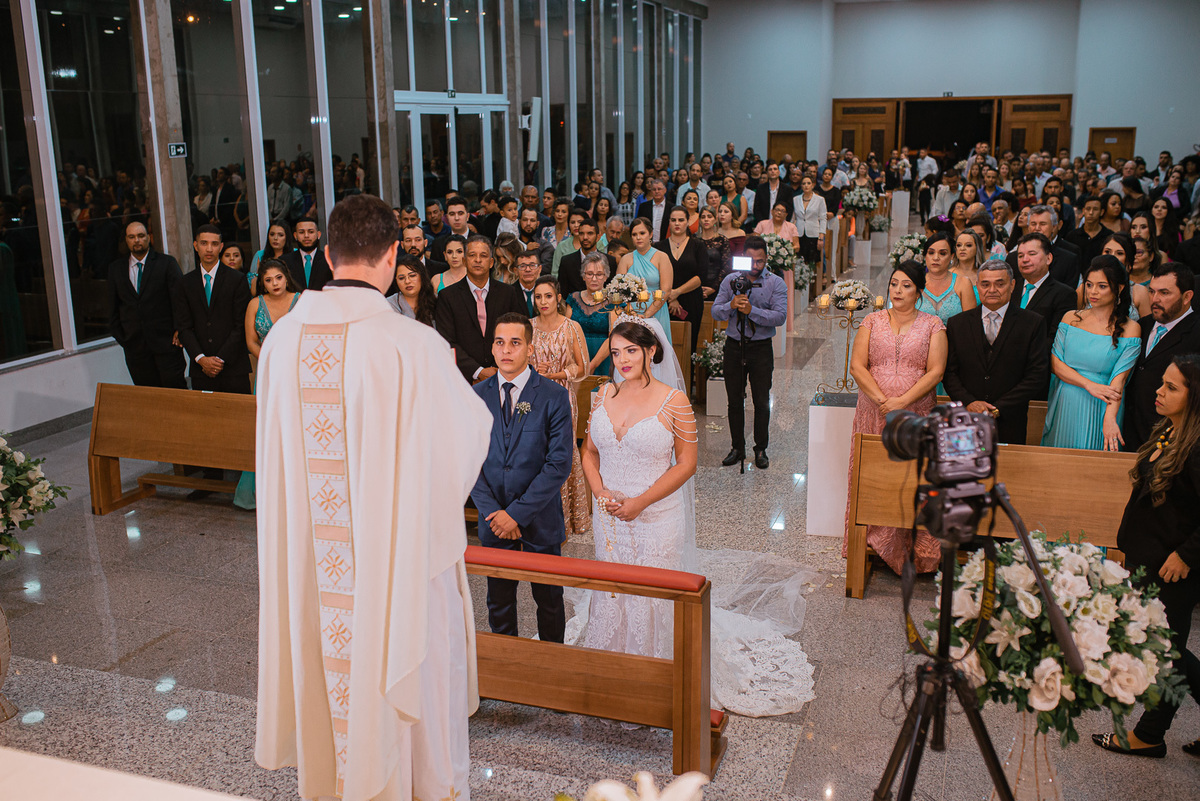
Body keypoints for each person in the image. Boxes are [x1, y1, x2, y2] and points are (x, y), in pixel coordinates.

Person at [255, 193, 487, 801]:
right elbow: (465, 444)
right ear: (391, 256)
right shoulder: (412, 347)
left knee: (325, 661)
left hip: (313, 564)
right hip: (400, 565)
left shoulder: (281, 343)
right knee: (412, 676)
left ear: (328, 255)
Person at [1094, 353, 1200, 758]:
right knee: (1166, 645)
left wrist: (1186, 555)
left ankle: (1149, 734)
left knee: (1164, 653)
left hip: (1175, 566)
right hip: (1148, 557)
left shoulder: (1198, 443)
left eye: (1172, 387)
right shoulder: (1167, 431)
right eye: (1162, 383)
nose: (1159, 390)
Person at [578, 321, 699, 658]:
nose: (622, 360)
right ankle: (612, 664)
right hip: (610, 517)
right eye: (616, 353)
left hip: (656, 517)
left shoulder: (673, 401)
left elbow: (687, 463)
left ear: (651, 351)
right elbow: (588, 451)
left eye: (631, 350)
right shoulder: (603, 395)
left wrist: (641, 502)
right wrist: (599, 490)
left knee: (650, 596)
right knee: (613, 590)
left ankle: (655, 669)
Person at [472, 313, 574, 642]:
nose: (506, 350)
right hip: (493, 518)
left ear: (529, 349)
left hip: (539, 519)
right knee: (498, 601)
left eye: (515, 343)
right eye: (500, 342)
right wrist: (493, 513)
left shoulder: (552, 396)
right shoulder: (476, 395)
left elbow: (558, 464)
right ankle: (505, 671)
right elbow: (467, 460)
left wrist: (514, 514)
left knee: (548, 601)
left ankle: (552, 665)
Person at [845, 260, 947, 574]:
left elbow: (936, 371)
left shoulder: (933, 324)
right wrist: (881, 401)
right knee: (874, 478)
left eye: (906, 285)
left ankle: (912, 550)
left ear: (919, 291)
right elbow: (857, 366)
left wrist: (902, 401)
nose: (898, 290)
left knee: (910, 480)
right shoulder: (872, 321)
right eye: (894, 284)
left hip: (915, 414)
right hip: (873, 413)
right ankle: (870, 541)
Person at [942, 258, 1049, 444]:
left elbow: (1036, 376)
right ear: (977, 286)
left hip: (1011, 420)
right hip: (965, 418)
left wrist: (998, 408)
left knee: (1009, 472)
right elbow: (950, 372)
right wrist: (970, 403)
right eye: (985, 284)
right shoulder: (957, 323)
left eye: (1000, 284)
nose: (992, 290)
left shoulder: (1032, 323)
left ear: (1013, 284)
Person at [1041, 255, 1141, 450]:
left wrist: (1110, 418)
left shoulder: (1131, 328)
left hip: (1103, 404)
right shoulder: (1070, 318)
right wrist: (1089, 385)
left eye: (1102, 286)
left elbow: (1119, 380)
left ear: (1119, 288)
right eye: (1089, 285)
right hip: (1066, 400)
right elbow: (1055, 363)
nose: (1093, 292)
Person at [711, 235, 789, 469]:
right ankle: (737, 447)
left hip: (761, 348)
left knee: (762, 401)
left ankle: (761, 448)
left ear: (767, 259)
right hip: (734, 346)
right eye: (751, 261)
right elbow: (715, 312)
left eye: (761, 261)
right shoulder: (731, 280)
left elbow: (780, 316)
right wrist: (731, 306)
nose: (755, 266)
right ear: (742, 258)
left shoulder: (776, 283)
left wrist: (752, 310)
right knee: (734, 400)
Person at [234, 260, 301, 511]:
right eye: (269, 280)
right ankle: (261, 493)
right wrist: (270, 359)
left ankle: (294, 491)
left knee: (294, 428)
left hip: (297, 373)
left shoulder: (302, 300)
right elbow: (251, 340)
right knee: (266, 428)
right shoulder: (255, 304)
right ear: (262, 282)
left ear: (287, 278)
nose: (274, 284)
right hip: (268, 373)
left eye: (279, 278)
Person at [531, 276, 591, 538]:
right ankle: (535, 518)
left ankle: (566, 519)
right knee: (535, 452)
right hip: (533, 397)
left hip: (563, 396)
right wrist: (533, 370)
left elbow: (583, 365)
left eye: (548, 296)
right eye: (538, 297)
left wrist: (560, 374)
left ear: (557, 298)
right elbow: (518, 362)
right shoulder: (527, 326)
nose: (543, 302)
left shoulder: (571, 327)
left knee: (560, 453)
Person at [1122, 262, 1200, 452]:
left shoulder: (1197, 331)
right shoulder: (1141, 325)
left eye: (1164, 293)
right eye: (1152, 292)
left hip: (1173, 441)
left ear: (1187, 297)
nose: (1155, 299)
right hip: (1130, 431)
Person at [435, 235, 528, 382]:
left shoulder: (508, 293)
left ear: (491, 262)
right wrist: (478, 371)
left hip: (504, 375)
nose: (478, 260)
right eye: (472, 255)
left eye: (483, 256)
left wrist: (499, 368)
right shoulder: (448, 296)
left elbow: (519, 331)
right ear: (464, 261)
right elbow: (446, 341)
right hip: (463, 379)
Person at [172, 224, 252, 395]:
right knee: (207, 420)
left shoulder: (237, 280)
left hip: (234, 367)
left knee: (238, 418)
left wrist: (219, 360)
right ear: (195, 246)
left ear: (221, 247)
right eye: (204, 243)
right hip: (201, 369)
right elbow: (184, 326)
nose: (209, 249)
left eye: (214, 244)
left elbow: (240, 325)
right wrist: (201, 359)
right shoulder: (185, 283)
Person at [107, 221, 187, 389]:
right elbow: (113, 308)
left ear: (148, 238)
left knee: (176, 393)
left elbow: (180, 300)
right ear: (126, 240)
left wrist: (181, 329)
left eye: (141, 236)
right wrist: (124, 338)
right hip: (135, 348)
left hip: (167, 344)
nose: (137, 240)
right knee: (148, 398)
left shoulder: (166, 263)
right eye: (132, 237)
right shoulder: (116, 269)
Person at [1012, 233, 1079, 371]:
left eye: (1031, 254)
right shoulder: (1010, 288)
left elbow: (1055, 339)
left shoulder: (1064, 294)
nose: (1025, 259)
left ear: (1049, 258)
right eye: (1020, 255)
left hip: (1037, 367)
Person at [657, 206, 707, 356]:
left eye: (681, 220)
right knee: (663, 346)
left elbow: (701, 276)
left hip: (692, 300)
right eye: (673, 220)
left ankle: (687, 379)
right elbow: (656, 275)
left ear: (687, 222)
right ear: (669, 223)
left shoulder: (698, 245)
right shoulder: (659, 247)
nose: (677, 223)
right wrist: (670, 297)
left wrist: (677, 292)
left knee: (688, 347)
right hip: (663, 303)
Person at [616, 218, 674, 345]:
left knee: (655, 352)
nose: (638, 237)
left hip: (657, 312)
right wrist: (631, 314)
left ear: (651, 234)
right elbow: (619, 291)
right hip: (630, 314)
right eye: (634, 234)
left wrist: (647, 315)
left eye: (642, 233)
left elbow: (666, 290)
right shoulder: (626, 259)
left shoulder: (661, 257)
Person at [917, 232, 976, 324]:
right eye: (931, 253)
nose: (936, 258)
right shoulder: (915, 282)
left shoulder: (963, 283)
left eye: (942, 253)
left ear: (951, 256)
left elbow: (971, 324)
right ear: (925, 256)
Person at [556, 217, 606, 298]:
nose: (585, 237)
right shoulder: (567, 262)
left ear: (598, 236)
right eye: (581, 233)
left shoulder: (609, 261)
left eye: (590, 233)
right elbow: (562, 293)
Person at [282, 218, 332, 291]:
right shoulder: (285, 261)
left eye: (311, 232)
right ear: (295, 236)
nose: (306, 236)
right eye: (301, 232)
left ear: (318, 234)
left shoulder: (329, 260)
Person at [388, 253, 437, 326]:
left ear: (422, 276)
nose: (407, 281)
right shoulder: (389, 304)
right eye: (401, 278)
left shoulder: (436, 300)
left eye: (412, 276)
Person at [792, 175, 827, 268]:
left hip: (813, 233)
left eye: (808, 183)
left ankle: (814, 280)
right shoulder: (796, 199)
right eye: (804, 183)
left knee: (812, 262)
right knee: (800, 261)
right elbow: (793, 218)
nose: (806, 185)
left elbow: (823, 218)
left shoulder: (820, 199)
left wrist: (821, 236)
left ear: (813, 185)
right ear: (801, 186)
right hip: (799, 233)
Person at [696, 206, 730, 298]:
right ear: (699, 220)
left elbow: (726, 266)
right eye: (703, 217)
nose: (706, 219)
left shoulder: (722, 240)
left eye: (709, 217)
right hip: (695, 287)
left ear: (715, 219)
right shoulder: (694, 240)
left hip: (718, 288)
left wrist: (713, 288)